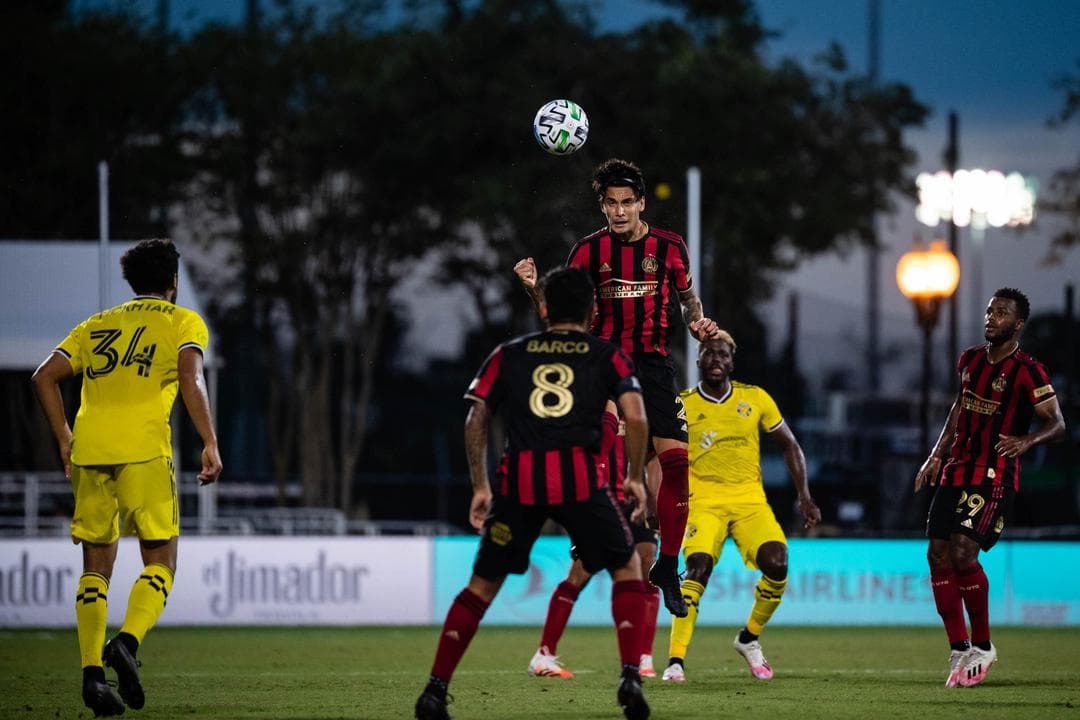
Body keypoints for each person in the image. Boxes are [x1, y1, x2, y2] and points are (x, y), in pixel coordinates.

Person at [415, 267, 652, 720]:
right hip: (581, 483)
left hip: (519, 485)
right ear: (592, 311)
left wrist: (480, 486)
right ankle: (629, 676)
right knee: (627, 567)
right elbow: (637, 417)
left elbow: (476, 417)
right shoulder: (608, 355)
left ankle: (434, 690)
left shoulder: (509, 353)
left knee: (481, 587)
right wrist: (635, 477)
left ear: (543, 308)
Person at [514, 158, 721, 618]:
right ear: (602, 206)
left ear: (641, 203)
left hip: (654, 367)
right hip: (604, 364)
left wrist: (698, 324)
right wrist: (531, 288)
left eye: (628, 202)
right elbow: (558, 314)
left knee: (678, 465)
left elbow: (689, 302)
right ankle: (587, 531)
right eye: (611, 203)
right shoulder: (587, 251)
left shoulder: (670, 247)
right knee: (602, 443)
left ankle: (667, 566)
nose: (620, 211)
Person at [31, 239, 223, 717]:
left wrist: (64, 438)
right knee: (161, 559)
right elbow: (191, 378)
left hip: (90, 452)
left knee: (95, 569)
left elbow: (43, 377)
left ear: (132, 281)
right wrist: (209, 440)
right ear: (173, 281)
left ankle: (92, 676)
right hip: (143, 450)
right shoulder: (182, 322)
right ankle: (128, 642)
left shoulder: (96, 324)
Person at [915, 287, 1065, 688]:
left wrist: (1027, 441)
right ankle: (959, 648)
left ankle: (983, 645)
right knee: (937, 555)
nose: (991, 318)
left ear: (1018, 324)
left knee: (963, 552)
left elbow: (1057, 423)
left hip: (993, 473)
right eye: (988, 311)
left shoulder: (1028, 371)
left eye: (1001, 313)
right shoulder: (969, 359)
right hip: (956, 469)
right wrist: (935, 455)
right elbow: (959, 407)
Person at [660, 333, 821, 683]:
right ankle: (675, 661)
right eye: (709, 353)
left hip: (750, 501)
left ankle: (748, 638)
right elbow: (657, 453)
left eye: (723, 354)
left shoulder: (755, 398)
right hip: (703, 501)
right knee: (697, 569)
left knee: (778, 564)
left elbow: (790, 446)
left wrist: (804, 495)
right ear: (699, 361)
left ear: (732, 362)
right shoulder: (682, 404)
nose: (716, 359)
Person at [527, 439, 663, 679]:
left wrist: (655, 504)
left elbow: (653, 460)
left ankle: (644, 657)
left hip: (636, 499)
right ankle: (544, 655)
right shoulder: (594, 416)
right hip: (599, 501)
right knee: (580, 573)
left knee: (648, 569)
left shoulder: (643, 418)